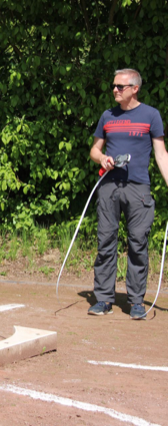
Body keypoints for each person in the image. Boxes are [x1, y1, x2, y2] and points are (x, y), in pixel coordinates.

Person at [88, 68, 168, 319]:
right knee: (106, 242)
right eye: (113, 86)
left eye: (120, 87)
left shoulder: (151, 116)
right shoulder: (107, 116)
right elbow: (94, 150)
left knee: (138, 244)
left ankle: (135, 302)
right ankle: (103, 299)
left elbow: (161, 154)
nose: (114, 90)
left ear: (135, 89)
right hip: (109, 187)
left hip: (139, 189)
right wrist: (102, 158)